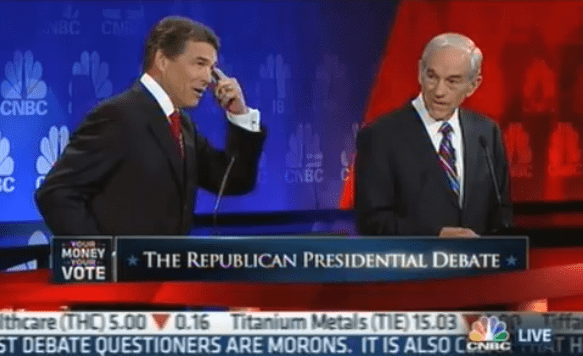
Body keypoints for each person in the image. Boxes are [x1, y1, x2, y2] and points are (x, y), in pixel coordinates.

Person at [35, 16, 265, 235]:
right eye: (200, 64)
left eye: (212, 68)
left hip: (166, 273)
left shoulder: (183, 125)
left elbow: (233, 181)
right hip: (125, 274)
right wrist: (98, 259)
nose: (208, 78)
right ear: (162, 60)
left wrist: (239, 115)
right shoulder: (117, 116)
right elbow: (56, 192)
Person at [355, 33, 512, 237]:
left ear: (473, 85)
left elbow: (501, 213)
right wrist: (435, 235)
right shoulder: (380, 136)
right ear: (420, 72)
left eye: (452, 81)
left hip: (479, 266)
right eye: (432, 77)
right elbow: (371, 222)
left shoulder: (486, 133)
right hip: (413, 266)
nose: (439, 91)